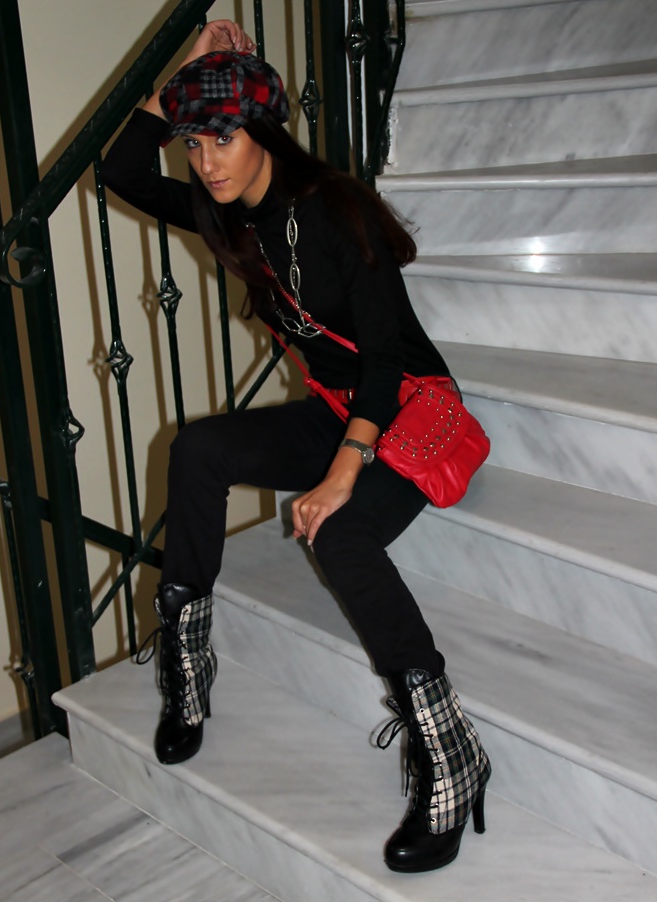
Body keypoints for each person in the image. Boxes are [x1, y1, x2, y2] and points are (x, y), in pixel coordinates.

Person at [102, 19, 491, 874]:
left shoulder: (337, 209)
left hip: (405, 410)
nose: (207, 161)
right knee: (199, 451)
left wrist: (344, 471)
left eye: (224, 137)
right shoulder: (220, 212)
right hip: (333, 408)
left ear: (264, 131)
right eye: (195, 141)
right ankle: (188, 666)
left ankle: (450, 749)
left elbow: (384, 361)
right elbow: (121, 171)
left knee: (341, 534)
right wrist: (186, 75)